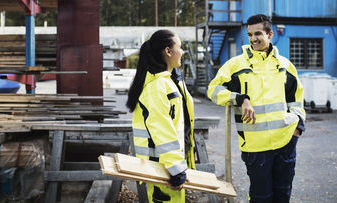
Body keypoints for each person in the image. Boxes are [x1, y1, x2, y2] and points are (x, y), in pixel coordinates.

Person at [208, 14, 305, 203]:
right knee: (261, 198)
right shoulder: (235, 65)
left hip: (285, 142)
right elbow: (213, 90)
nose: (253, 39)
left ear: (269, 34)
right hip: (255, 146)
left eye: (258, 34)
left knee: (283, 195)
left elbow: (297, 99)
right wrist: (240, 98)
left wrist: (297, 127)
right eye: (250, 34)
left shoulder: (285, 65)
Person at [126, 29, 195, 203]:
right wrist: (175, 169)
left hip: (166, 167)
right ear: (168, 51)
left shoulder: (168, 82)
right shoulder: (157, 86)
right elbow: (162, 131)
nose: (182, 52)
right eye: (180, 47)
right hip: (163, 170)